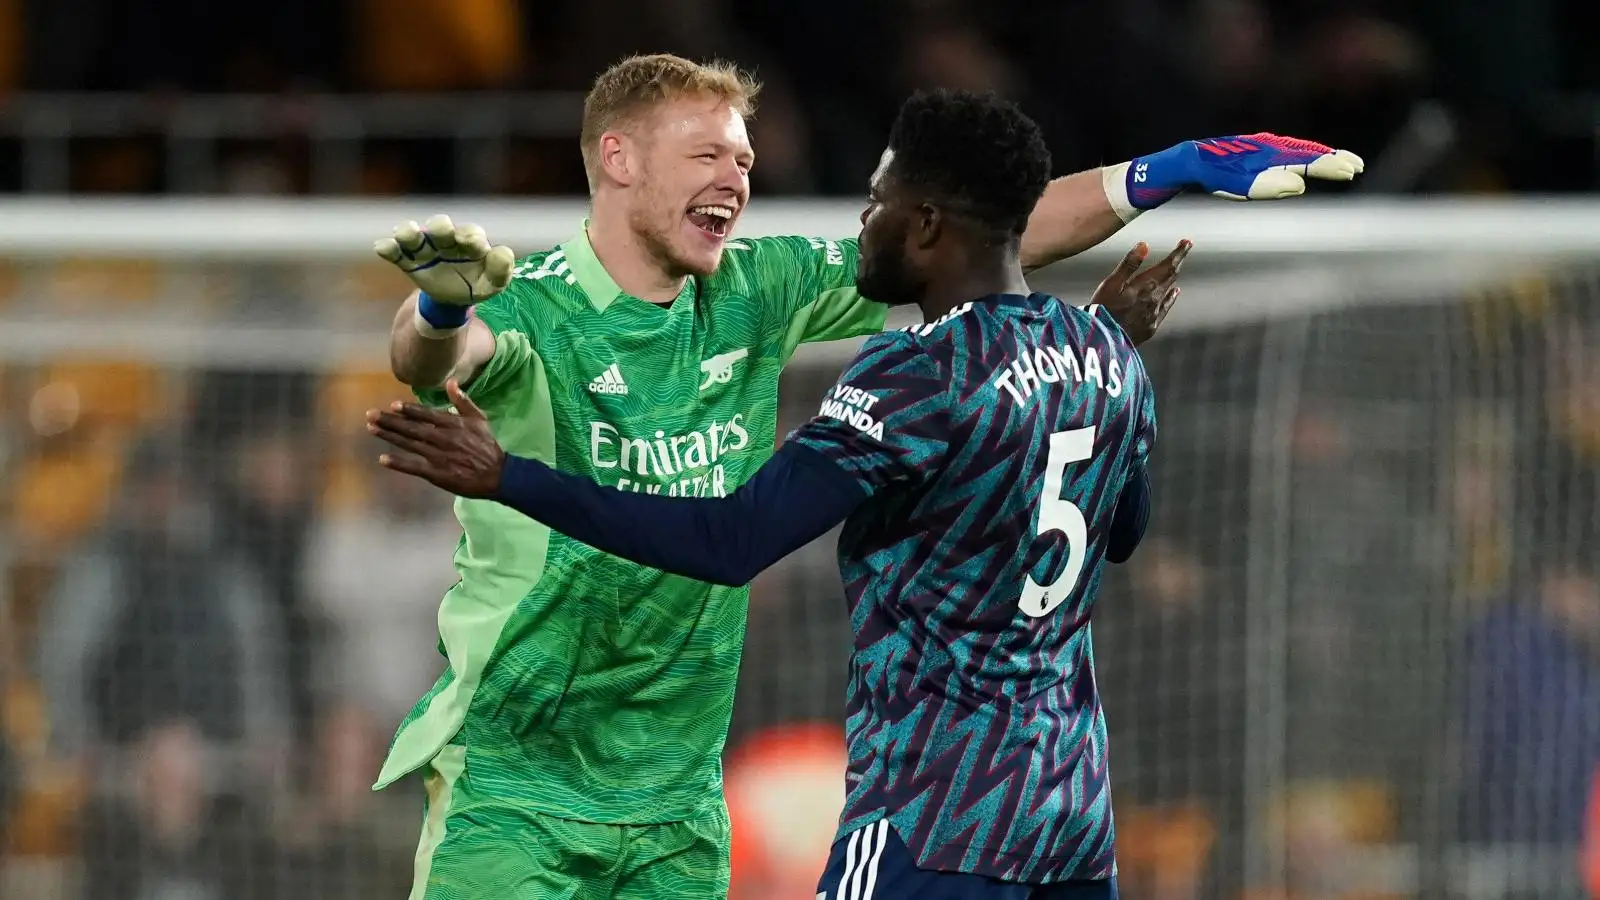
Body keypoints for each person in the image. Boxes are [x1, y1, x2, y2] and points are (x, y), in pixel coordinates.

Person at [371, 53, 1360, 899]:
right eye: (708, 153)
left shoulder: (765, 287)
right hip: (522, 769)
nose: (737, 176)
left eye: (744, 158)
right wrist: (444, 312)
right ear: (618, 159)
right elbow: (432, 365)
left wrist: (1161, 170)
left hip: (682, 792)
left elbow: (983, 229)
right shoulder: (536, 303)